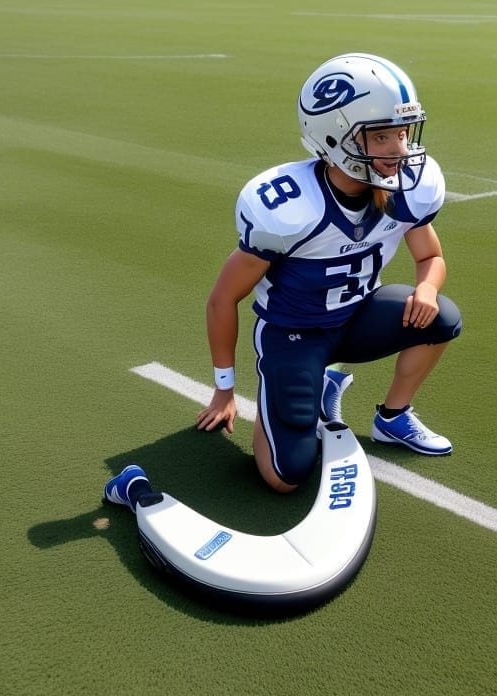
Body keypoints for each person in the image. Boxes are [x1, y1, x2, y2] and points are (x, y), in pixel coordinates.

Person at [192, 52, 462, 494]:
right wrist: (224, 390)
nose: (398, 150)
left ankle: (392, 418)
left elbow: (430, 258)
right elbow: (223, 298)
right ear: (333, 137)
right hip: (294, 332)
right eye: (380, 137)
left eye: (402, 133)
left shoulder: (405, 188)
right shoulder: (288, 207)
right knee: (284, 479)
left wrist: (428, 289)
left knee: (441, 318)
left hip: (356, 317)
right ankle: (291, 396)